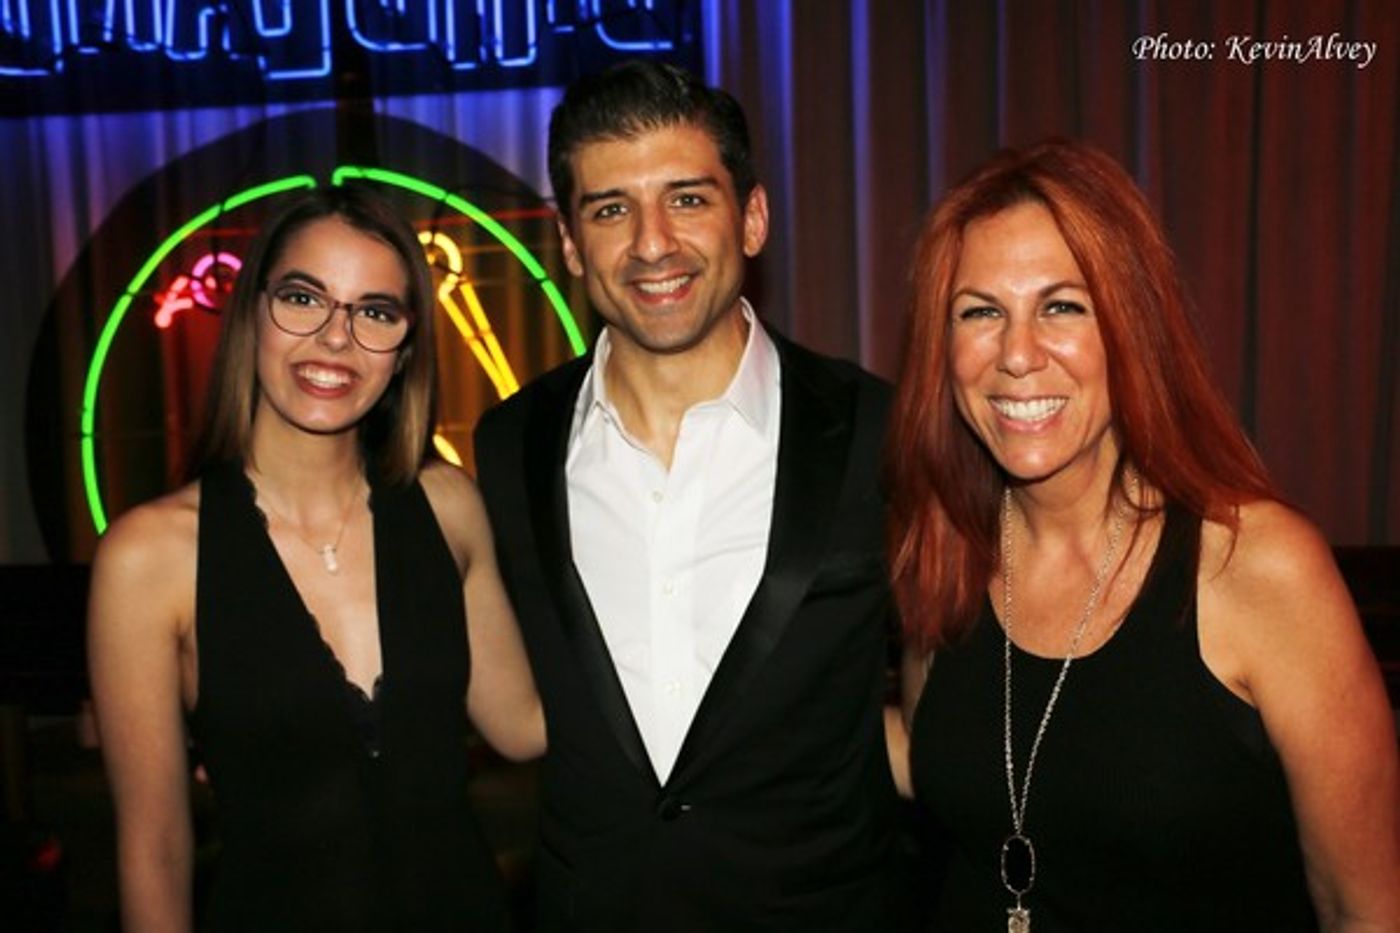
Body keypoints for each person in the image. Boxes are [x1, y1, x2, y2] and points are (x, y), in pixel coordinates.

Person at [886, 139, 1400, 931]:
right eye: (980, 311)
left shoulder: (1256, 567)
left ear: (1130, 327)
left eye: (1062, 305)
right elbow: (940, 760)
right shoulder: (948, 550)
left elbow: (1364, 909)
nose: (1017, 355)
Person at [472, 61, 905, 931]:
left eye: (688, 198)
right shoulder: (509, 444)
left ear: (752, 218)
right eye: (610, 209)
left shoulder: (880, 432)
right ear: (567, 242)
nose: (652, 243)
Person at [87, 185, 545, 932]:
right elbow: (155, 847)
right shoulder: (149, 558)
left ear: (403, 352)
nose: (336, 337)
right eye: (304, 298)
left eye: (374, 311)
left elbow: (523, 723)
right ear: (252, 317)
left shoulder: (448, 505)